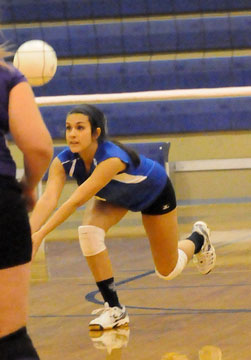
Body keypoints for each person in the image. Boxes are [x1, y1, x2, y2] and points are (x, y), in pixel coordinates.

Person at [30, 104, 216, 331]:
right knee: (88, 232)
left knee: (168, 271)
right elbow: (48, 200)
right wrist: (28, 234)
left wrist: (41, 235)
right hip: (113, 197)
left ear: (96, 133)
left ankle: (198, 238)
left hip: (153, 193)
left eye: (80, 128)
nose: (72, 134)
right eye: (69, 128)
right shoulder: (64, 161)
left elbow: (75, 202)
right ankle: (115, 309)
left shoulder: (110, 159)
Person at [0, 44, 53, 359]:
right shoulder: (6, 76)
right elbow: (38, 147)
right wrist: (29, 186)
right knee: (9, 339)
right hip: (1, 202)